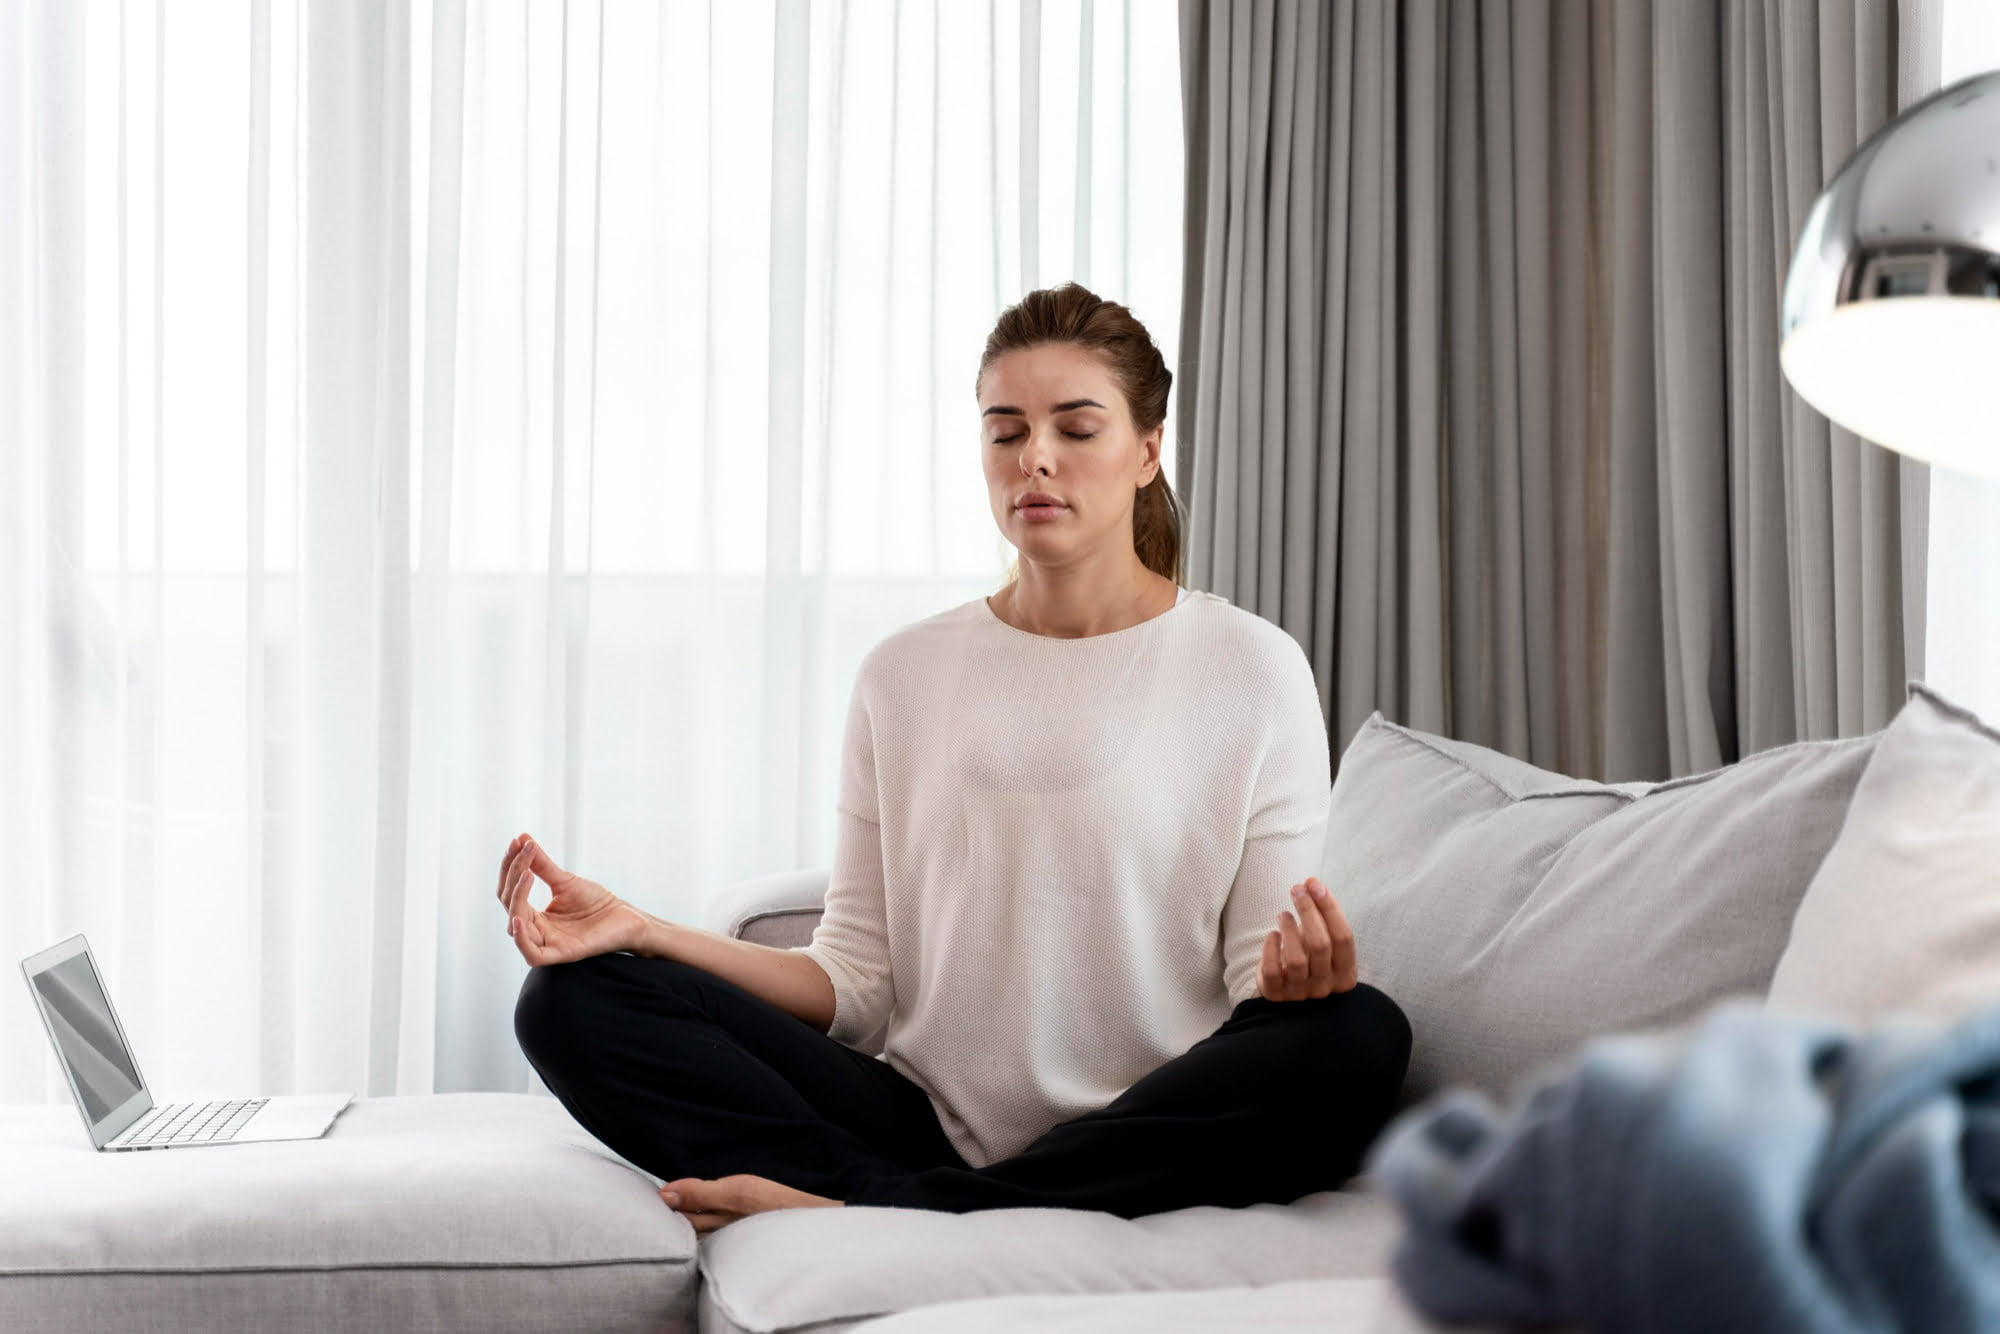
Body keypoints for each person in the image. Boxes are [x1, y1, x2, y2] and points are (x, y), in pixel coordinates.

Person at [506, 282, 1412, 1235]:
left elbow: (1250, 995)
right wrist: (643, 928)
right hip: (923, 1124)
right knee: (571, 1000)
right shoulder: (902, 674)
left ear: (1147, 450)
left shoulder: (1252, 669)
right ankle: (909, 1196)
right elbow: (855, 982)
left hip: (1144, 1131)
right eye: (1007, 430)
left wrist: (1299, 987)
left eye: (1076, 427)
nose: (1038, 459)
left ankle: (866, 1206)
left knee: (1357, 1033)